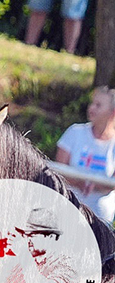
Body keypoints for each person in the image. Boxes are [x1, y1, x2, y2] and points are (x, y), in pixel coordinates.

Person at [54, 87, 115, 222]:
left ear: (112, 113)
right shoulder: (75, 132)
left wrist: (97, 185)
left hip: (101, 221)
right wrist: (79, 182)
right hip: (68, 213)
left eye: (98, 105)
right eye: (92, 103)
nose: (91, 108)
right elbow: (59, 170)